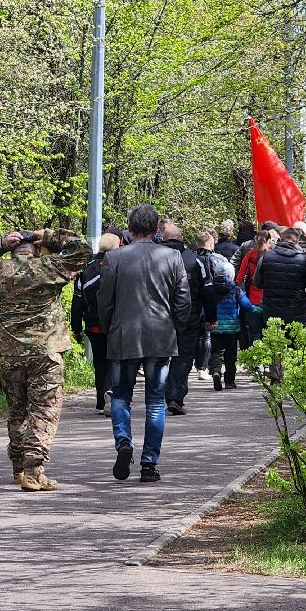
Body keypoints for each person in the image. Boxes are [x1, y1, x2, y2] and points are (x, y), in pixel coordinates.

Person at [0, 227, 91, 491]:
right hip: (45, 353)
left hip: (11, 354)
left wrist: (0, 242)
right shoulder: (49, 267)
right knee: (43, 412)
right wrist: (50, 236)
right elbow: (82, 249)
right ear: (36, 249)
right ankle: (34, 472)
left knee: (17, 412)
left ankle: (18, 468)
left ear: (13, 249)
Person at [97, 203, 190, 484]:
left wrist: (109, 327)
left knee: (121, 395)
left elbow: (105, 300)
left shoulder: (114, 258)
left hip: (124, 336)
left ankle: (124, 442)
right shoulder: (172, 258)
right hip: (160, 337)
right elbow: (183, 300)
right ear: (156, 228)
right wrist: (177, 326)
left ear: (131, 227)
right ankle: (149, 464)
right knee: (156, 402)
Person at [72, 231, 123, 414]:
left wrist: (75, 328)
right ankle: (111, 392)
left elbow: (77, 300)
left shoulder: (86, 268)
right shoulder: (120, 265)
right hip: (115, 323)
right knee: (114, 360)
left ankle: (101, 402)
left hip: (93, 324)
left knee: (100, 362)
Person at [156, 219, 204, 415]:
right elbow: (205, 290)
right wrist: (210, 316)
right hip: (188, 316)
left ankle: (158, 394)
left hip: (158, 315)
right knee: (183, 356)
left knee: (160, 356)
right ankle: (175, 395)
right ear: (182, 238)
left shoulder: (153, 257)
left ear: (163, 238)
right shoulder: (193, 259)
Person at [197, 230, 248, 388]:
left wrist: (205, 318)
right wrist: (256, 310)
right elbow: (245, 304)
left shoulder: (211, 289)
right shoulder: (236, 289)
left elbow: (207, 305)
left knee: (216, 352)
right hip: (232, 327)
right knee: (231, 355)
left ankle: (216, 371)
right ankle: (230, 380)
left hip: (216, 326)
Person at [252, 226, 306, 325]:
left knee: (272, 339)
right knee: (294, 339)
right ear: (297, 241)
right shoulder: (304, 260)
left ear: (281, 239)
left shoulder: (265, 258)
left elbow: (257, 282)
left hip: (271, 312)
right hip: (295, 312)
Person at [235, 227, 276, 348]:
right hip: (269, 300)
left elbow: (240, 277)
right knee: (269, 333)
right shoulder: (272, 256)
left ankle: (256, 363)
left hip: (252, 301)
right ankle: (269, 364)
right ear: (269, 241)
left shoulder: (249, 255)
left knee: (254, 333)